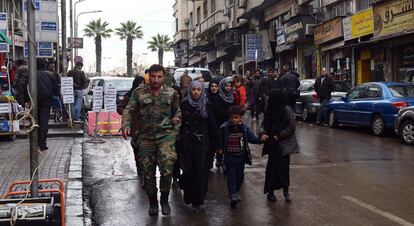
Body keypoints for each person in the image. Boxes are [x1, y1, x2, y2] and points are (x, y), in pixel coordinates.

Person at [121, 64, 181, 216]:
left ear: (164, 77)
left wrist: (174, 133)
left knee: (167, 169)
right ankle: (153, 202)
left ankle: (165, 200)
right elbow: (129, 109)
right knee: (148, 173)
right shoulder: (139, 92)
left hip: (165, 137)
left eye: (159, 76)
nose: (156, 80)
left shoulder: (171, 93)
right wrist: (126, 124)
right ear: (149, 77)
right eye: (153, 76)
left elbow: (177, 113)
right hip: (146, 138)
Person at [179, 80, 218, 213]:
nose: (196, 92)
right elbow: (179, 124)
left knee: (201, 173)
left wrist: (217, 145)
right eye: (194, 89)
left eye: (198, 89)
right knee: (188, 172)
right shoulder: (183, 104)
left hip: (202, 144)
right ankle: (188, 195)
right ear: (190, 90)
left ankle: (198, 201)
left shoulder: (207, 104)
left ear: (202, 91)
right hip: (187, 142)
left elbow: (212, 125)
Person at [218, 105, 261, 208]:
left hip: (241, 157)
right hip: (229, 157)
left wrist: (261, 140)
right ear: (229, 117)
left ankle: (235, 192)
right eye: (232, 117)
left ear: (240, 118)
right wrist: (219, 149)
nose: (234, 120)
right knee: (231, 177)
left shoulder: (244, 128)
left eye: (236, 117)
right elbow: (220, 140)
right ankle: (233, 195)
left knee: (240, 177)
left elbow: (251, 138)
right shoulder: (224, 128)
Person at [259, 89, 296, 202]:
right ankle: (270, 192)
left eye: (270, 98)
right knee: (272, 169)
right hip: (272, 145)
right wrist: (263, 133)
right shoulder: (269, 110)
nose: (268, 100)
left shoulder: (286, 110)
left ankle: (286, 191)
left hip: (283, 145)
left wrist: (279, 135)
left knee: (283, 169)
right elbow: (264, 124)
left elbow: (291, 126)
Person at [117, 76, 145, 183]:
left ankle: (145, 172)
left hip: (146, 128)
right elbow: (120, 108)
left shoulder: (148, 96)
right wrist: (128, 113)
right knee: (137, 149)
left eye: (143, 84)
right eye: (139, 84)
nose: (141, 86)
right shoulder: (130, 96)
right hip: (135, 128)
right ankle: (140, 168)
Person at [37, 58, 60, 151]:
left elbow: (24, 87)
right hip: (47, 100)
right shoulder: (50, 75)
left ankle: (35, 142)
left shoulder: (31, 74)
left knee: (35, 121)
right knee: (44, 121)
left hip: (34, 100)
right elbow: (56, 90)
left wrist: (25, 100)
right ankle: (42, 143)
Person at [213, 77, 234, 169]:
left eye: (230, 86)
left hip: (231, 123)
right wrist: (229, 112)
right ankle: (219, 159)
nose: (228, 88)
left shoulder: (233, 96)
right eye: (226, 86)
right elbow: (217, 111)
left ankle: (227, 160)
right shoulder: (218, 97)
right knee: (221, 142)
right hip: (220, 123)